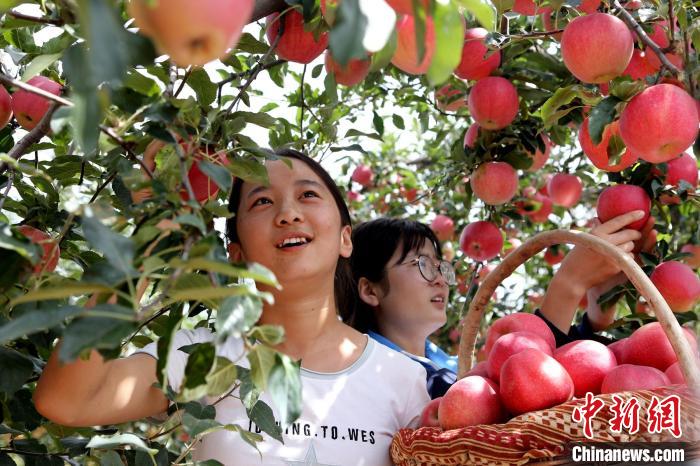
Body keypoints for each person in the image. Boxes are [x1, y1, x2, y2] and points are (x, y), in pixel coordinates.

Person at [33, 149, 430, 466]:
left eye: (308, 194)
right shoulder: (200, 358)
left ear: (346, 238)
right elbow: (66, 400)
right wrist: (149, 233)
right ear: (235, 254)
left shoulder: (402, 379)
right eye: (261, 201)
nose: (288, 213)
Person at [348, 212, 656, 398]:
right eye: (422, 265)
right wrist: (567, 287)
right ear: (370, 290)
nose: (441, 279)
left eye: (440, 266)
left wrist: (599, 312)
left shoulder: (447, 366)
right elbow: (508, 415)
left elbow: (546, 391)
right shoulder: (372, 376)